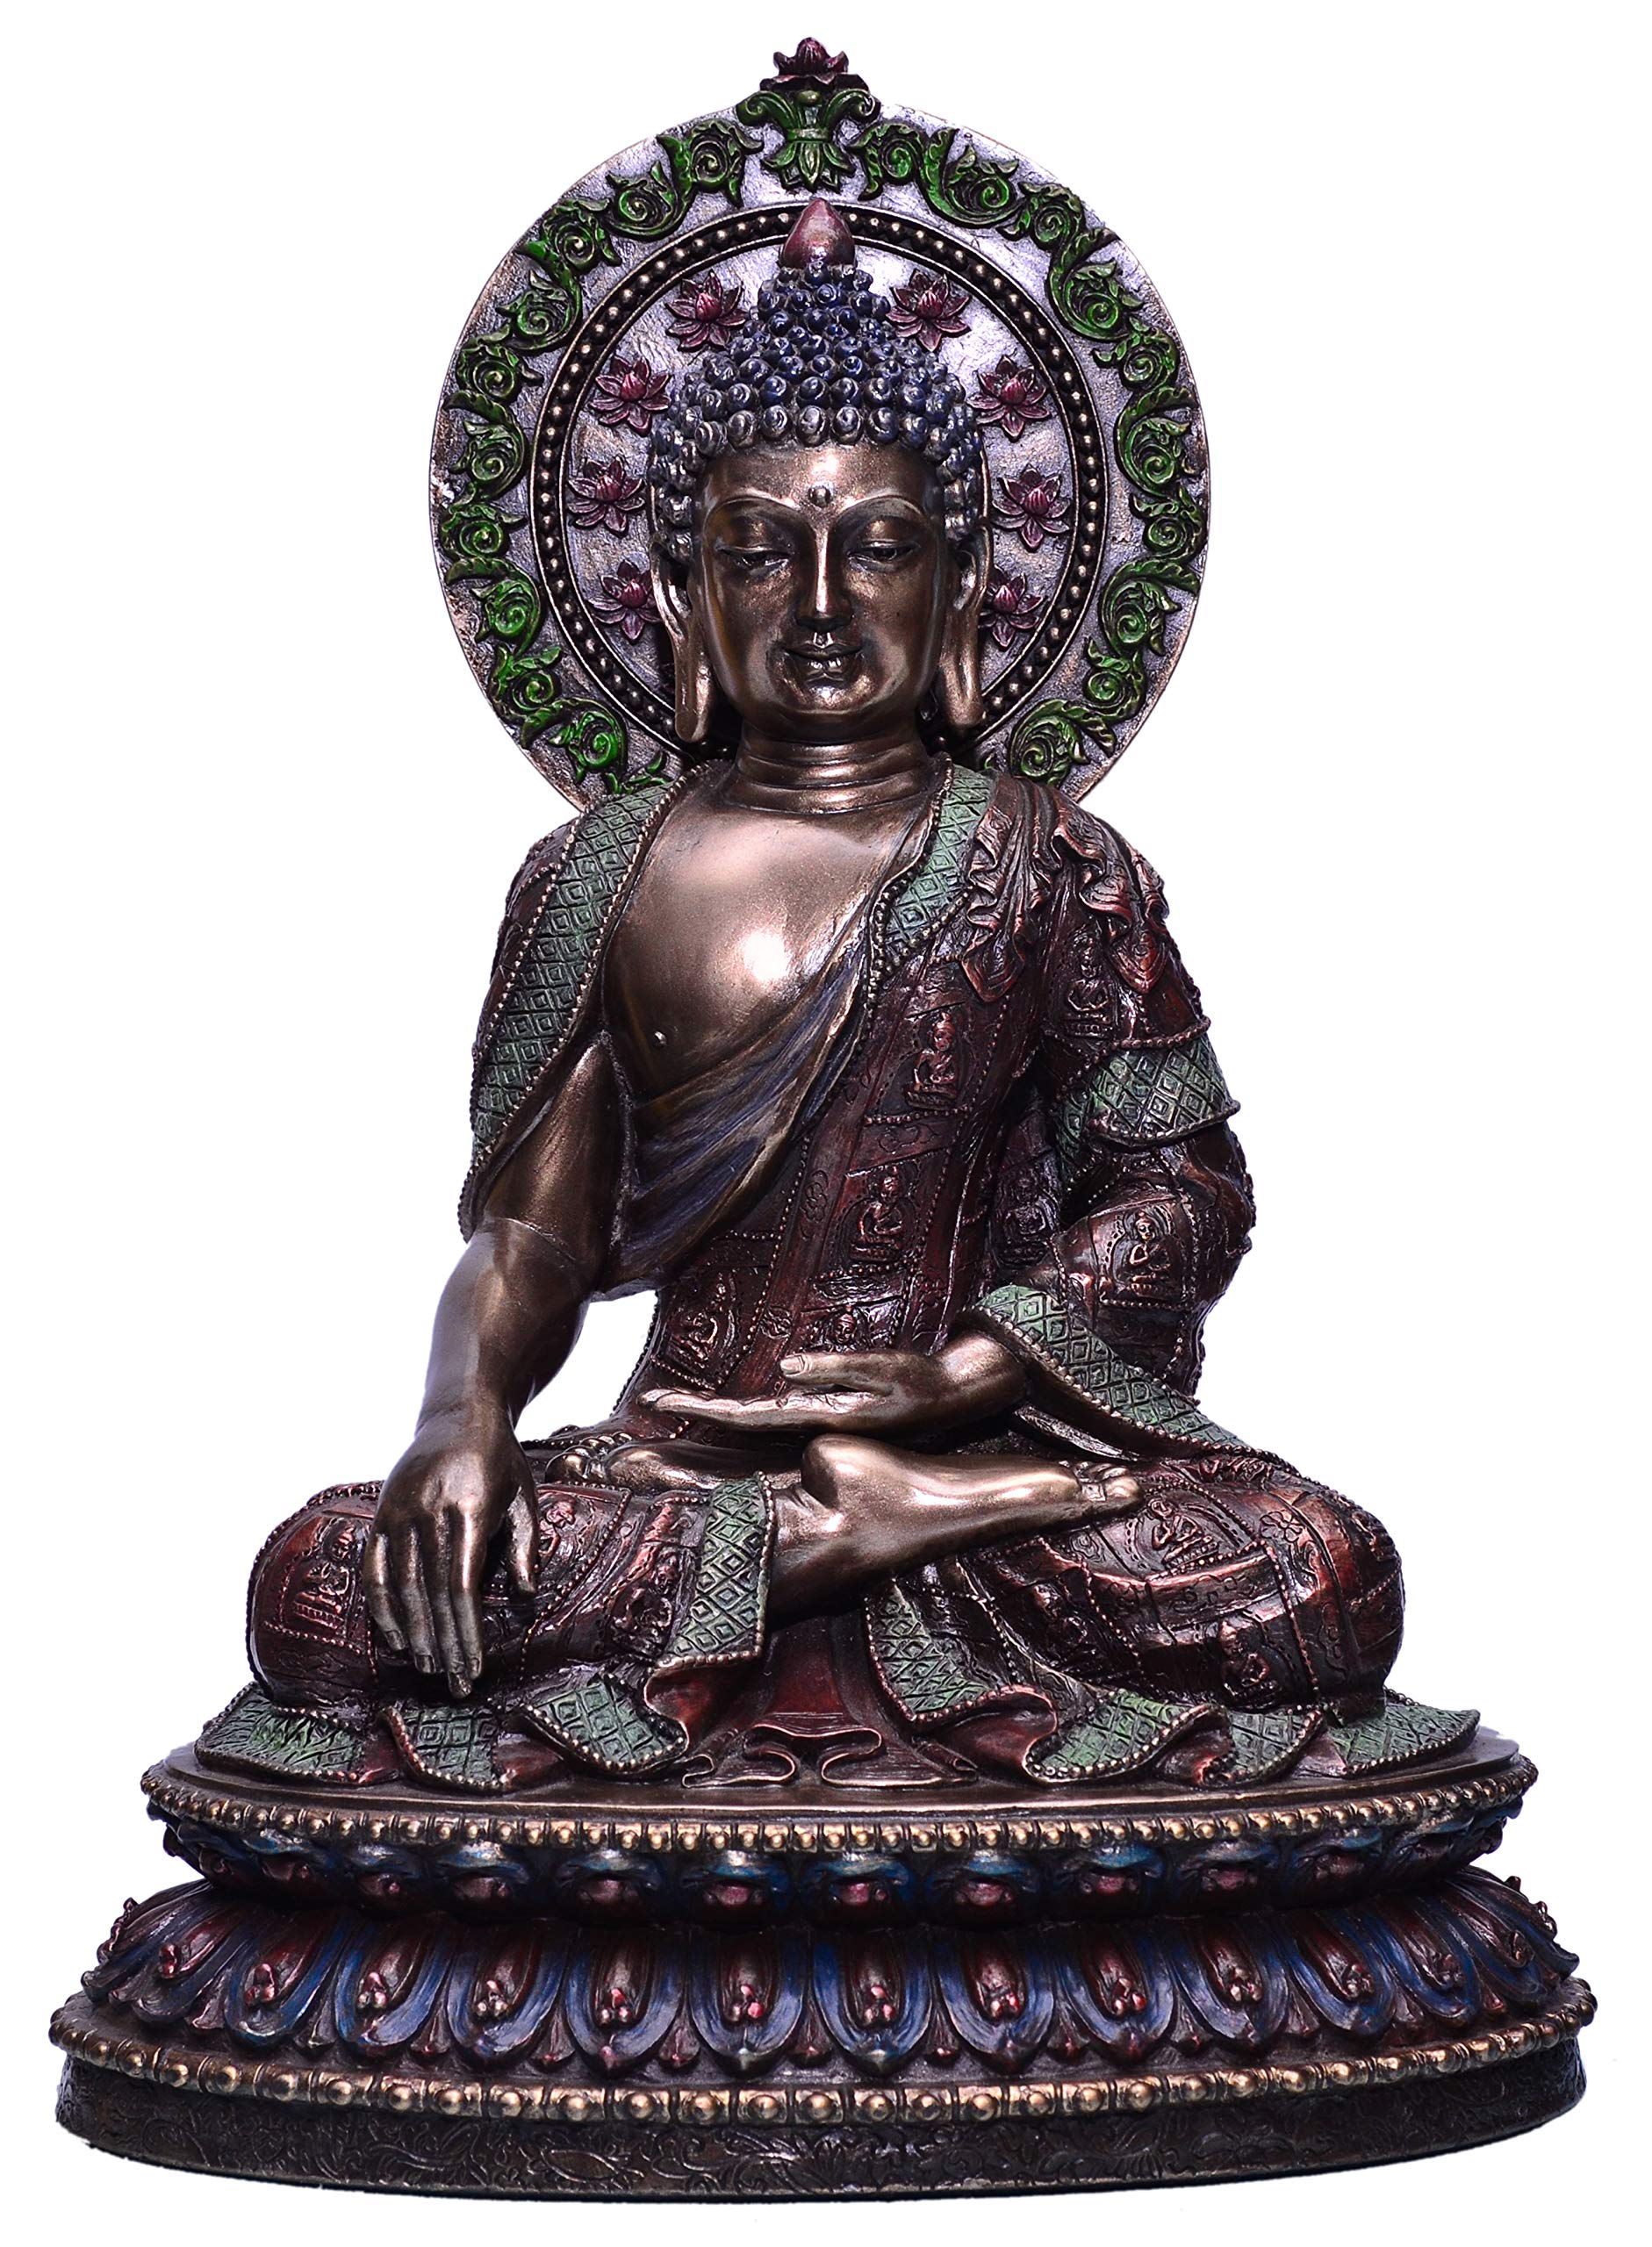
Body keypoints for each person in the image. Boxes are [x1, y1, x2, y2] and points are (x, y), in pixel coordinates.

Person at [219, 203, 1467, 1799]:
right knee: (323, 1582)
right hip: (689, 1462)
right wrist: (455, 1422)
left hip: (988, 1449)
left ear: (963, 587)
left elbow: (1181, 1189)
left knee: (1318, 1569)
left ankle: (893, 1516)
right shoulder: (595, 874)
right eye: (759, 552)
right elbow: (532, 1232)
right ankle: (830, 1539)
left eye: (876, 546)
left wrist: (963, 1381)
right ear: (682, 597)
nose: (819, 600)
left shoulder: (1051, 863)